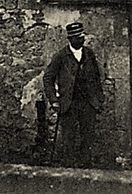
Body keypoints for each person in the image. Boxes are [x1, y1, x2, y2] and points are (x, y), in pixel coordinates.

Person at [43, 21, 103, 167]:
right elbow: (48, 78)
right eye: (77, 37)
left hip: (87, 102)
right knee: (68, 136)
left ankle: (85, 165)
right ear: (70, 39)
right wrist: (54, 100)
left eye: (82, 37)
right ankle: (69, 167)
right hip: (69, 103)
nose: (81, 40)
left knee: (87, 135)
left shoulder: (89, 54)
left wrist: (99, 98)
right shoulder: (61, 56)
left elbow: (96, 77)